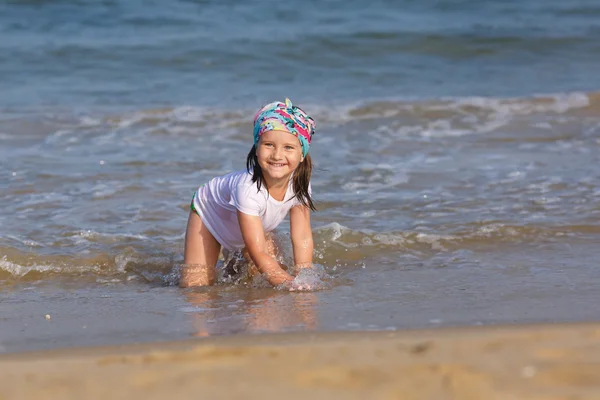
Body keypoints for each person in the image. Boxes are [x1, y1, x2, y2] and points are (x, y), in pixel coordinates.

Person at [181, 98, 316, 290]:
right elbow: (258, 251)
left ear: (302, 154)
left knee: (261, 281)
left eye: (288, 147)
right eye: (269, 144)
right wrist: (289, 284)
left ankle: (232, 265)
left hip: (250, 223)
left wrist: (304, 276)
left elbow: (302, 235)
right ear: (256, 147)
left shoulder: (300, 185)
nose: (277, 155)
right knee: (196, 288)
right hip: (210, 217)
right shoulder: (249, 189)